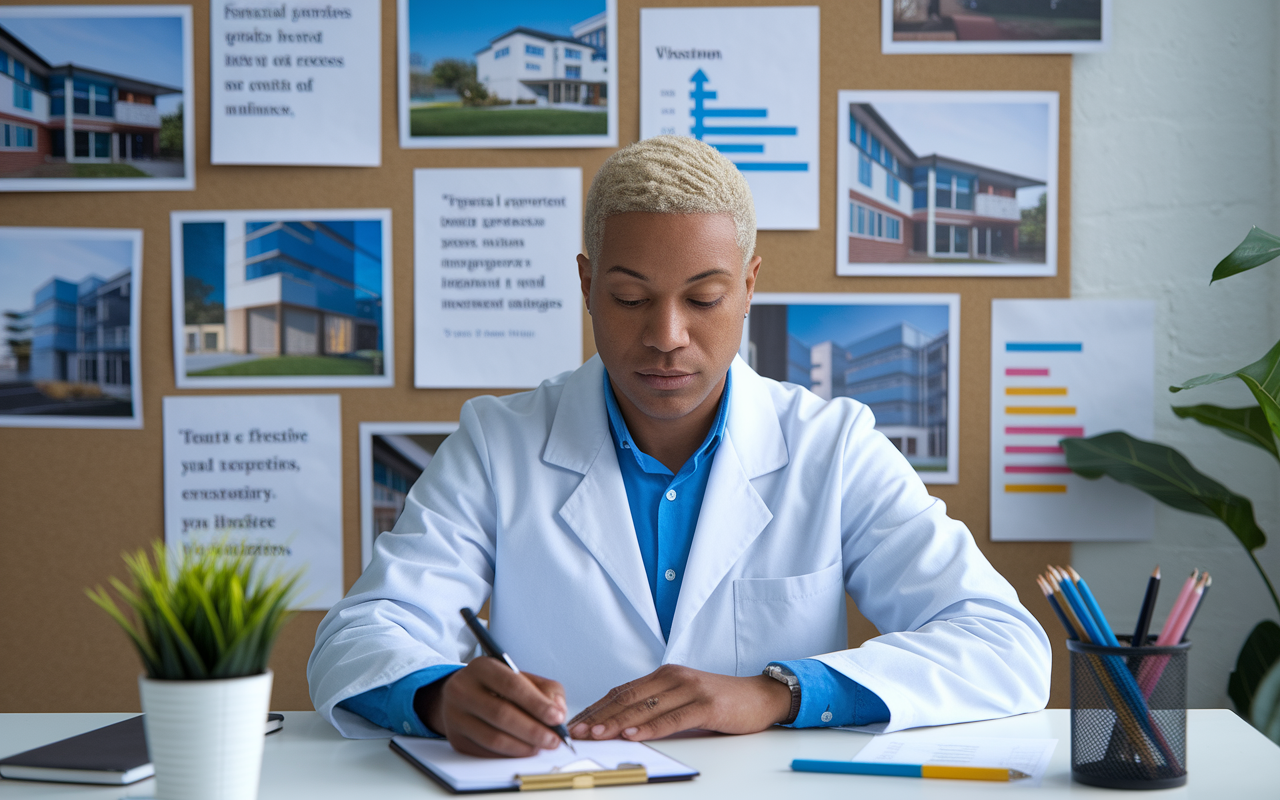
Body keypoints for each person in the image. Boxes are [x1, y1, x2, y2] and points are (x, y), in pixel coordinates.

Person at [308, 135, 1050, 757]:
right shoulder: (498, 444)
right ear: (588, 283)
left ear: (750, 286)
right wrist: (438, 696)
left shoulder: (834, 447)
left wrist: (777, 693)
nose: (666, 336)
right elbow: (360, 635)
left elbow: (1004, 645)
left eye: (703, 298)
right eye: (630, 298)